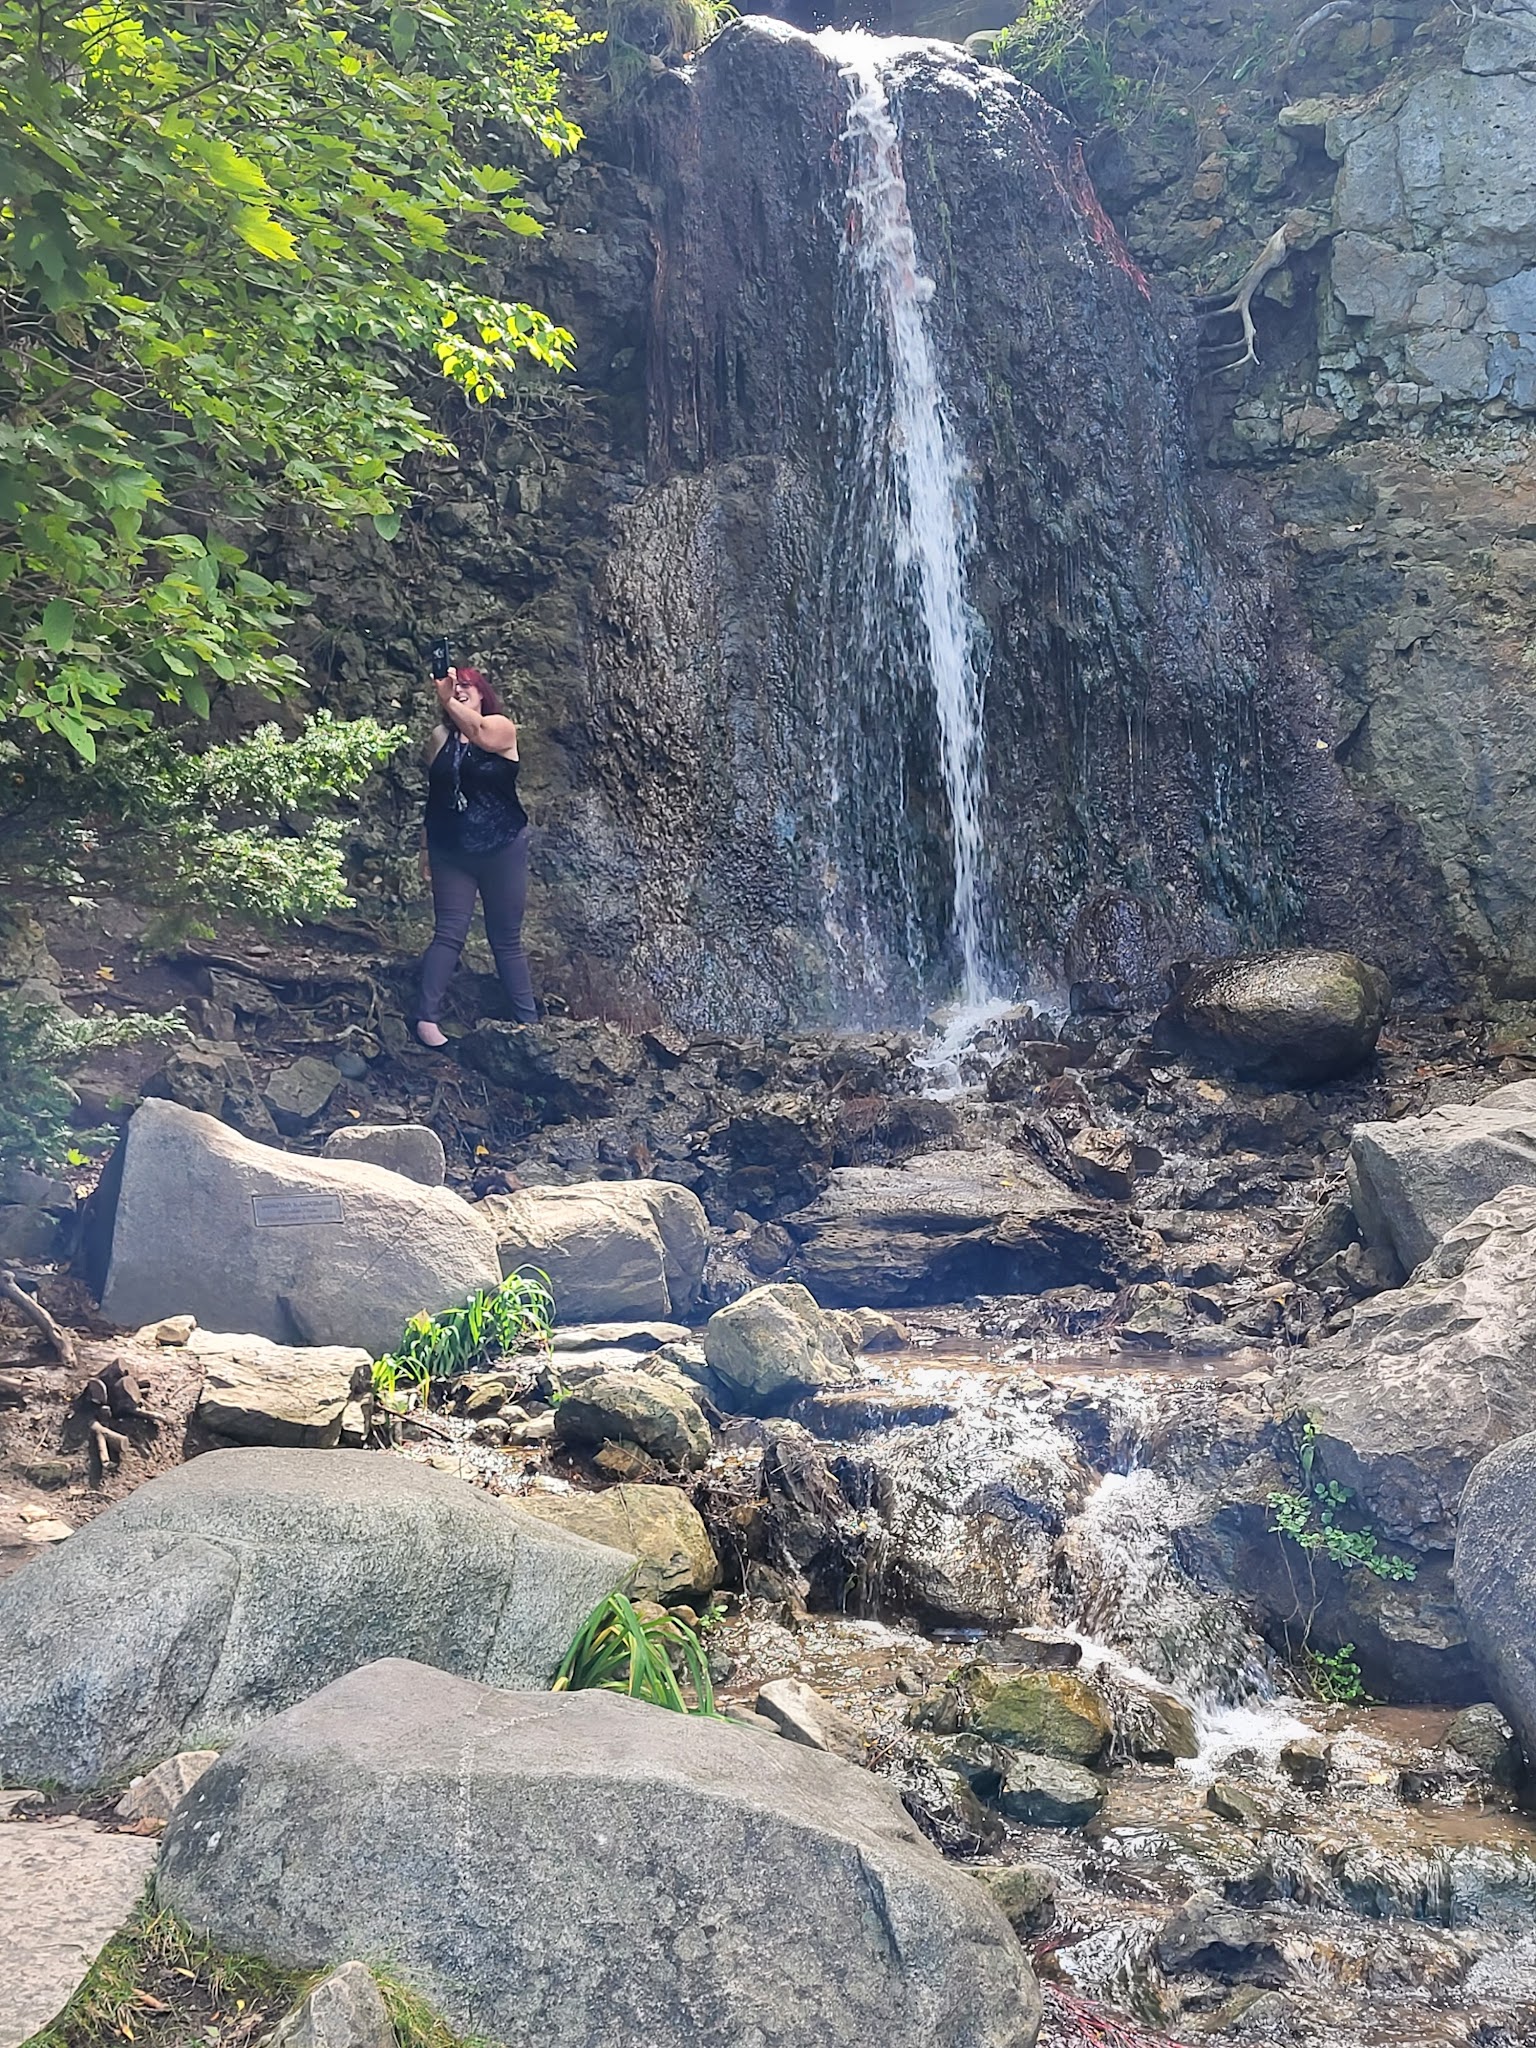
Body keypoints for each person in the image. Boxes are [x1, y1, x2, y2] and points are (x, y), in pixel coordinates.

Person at [414, 663, 536, 1047]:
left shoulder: (501, 727)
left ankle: (528, 1023)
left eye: (468, 685)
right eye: (455, 685)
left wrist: (449, 699)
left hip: (502, 844)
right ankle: (426, 1019)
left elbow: (480, 734)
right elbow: (435, 796)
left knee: (506, 937)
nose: (461, 689)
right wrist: (425, 848)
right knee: (449, 932)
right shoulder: (438, 737)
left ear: (482, 695)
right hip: (451, 848)